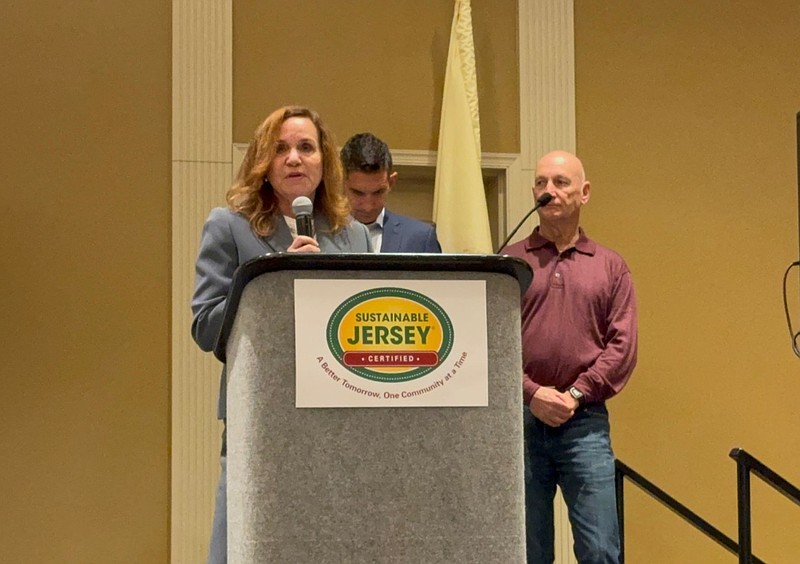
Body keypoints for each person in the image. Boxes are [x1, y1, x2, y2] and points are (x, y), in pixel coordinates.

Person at [190, 105, 372, 564]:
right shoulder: (229, 226)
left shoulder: (350, 235)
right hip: (260, 411)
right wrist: (272, 276)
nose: (294, 158)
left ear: (323, 162)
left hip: (335, 413)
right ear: (263, 164)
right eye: (281, 149)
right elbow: (205, 325)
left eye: (306, 148)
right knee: (247, 540)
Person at [501, 150, 637, 564]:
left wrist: (575, 394)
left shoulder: (611, 267)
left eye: (560, 182)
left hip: (586, 423)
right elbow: (490, 344)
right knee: (528, 551)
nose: (549, 191)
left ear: (585, 192)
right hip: (520, 422)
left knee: (600, 551)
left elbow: (622, 346)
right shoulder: (508, 262)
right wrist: (532, 393)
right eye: (541, 183)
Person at [340, 132, 442, 253]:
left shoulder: (421, 238)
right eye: (358, 193)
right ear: (340, 182)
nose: (368, 206)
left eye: (378, 192)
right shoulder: (319, 234)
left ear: (391, 182)